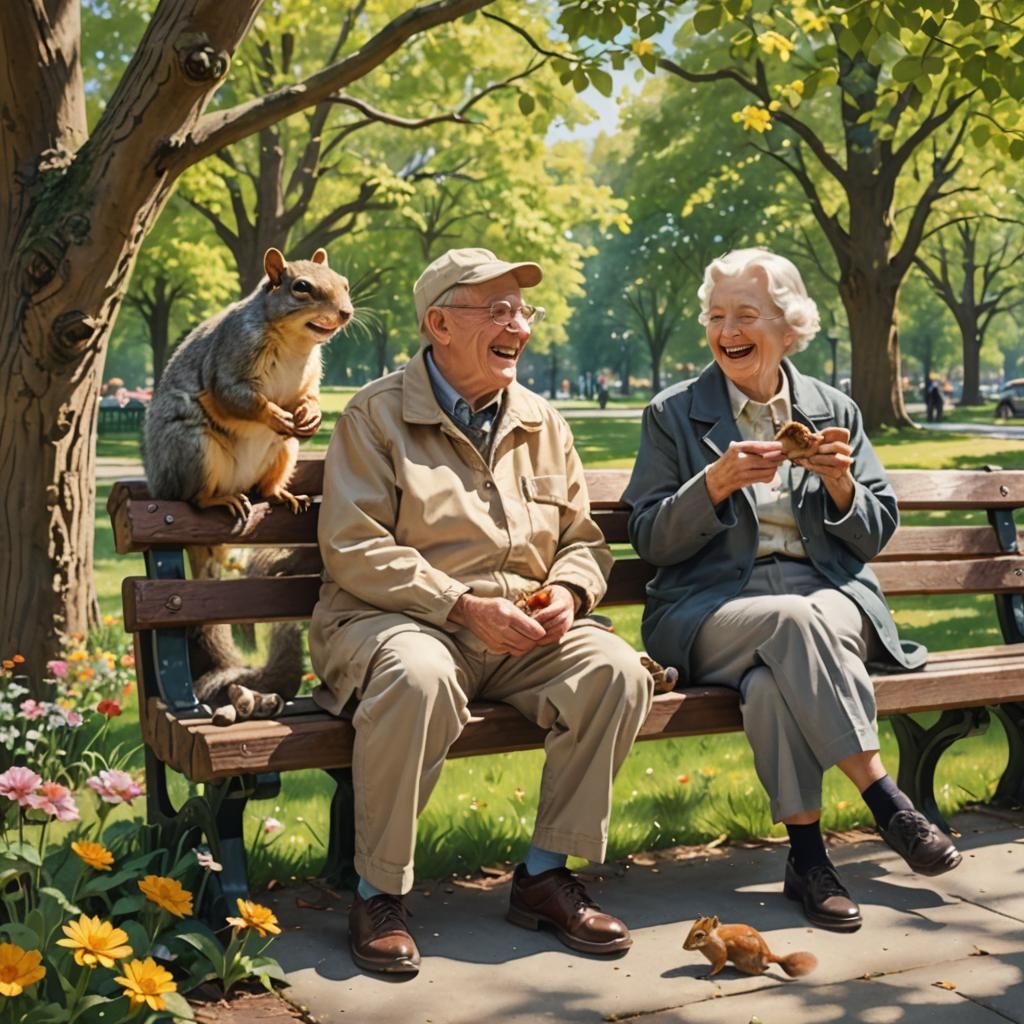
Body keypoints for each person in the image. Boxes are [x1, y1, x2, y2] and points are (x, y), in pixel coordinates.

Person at [310, 247, 655, 975]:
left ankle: (542, 875)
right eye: (497, 310)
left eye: (522, 311)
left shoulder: (542, 421)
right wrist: (460, 604)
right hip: (397, 622)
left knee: (616, 670)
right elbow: (354, 548)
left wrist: (566, 593)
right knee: (420, 677)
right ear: (438, 322)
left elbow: (583, 542)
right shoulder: (374, 418)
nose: (518, 327)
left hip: (520, 632)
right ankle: (378, 892)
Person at [624, 248, 961, 933]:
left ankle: (809, 861)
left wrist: (840, 485)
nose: (727, 330)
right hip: (711, 609)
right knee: (791, 623)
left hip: (830, 594)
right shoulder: (673, 414)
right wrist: (712, 486)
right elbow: (649, 538)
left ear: (789, 326)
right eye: (717, 316)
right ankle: (888, 802)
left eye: (746, 315)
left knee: (776, 677)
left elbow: (874, 533)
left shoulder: (831, 409)